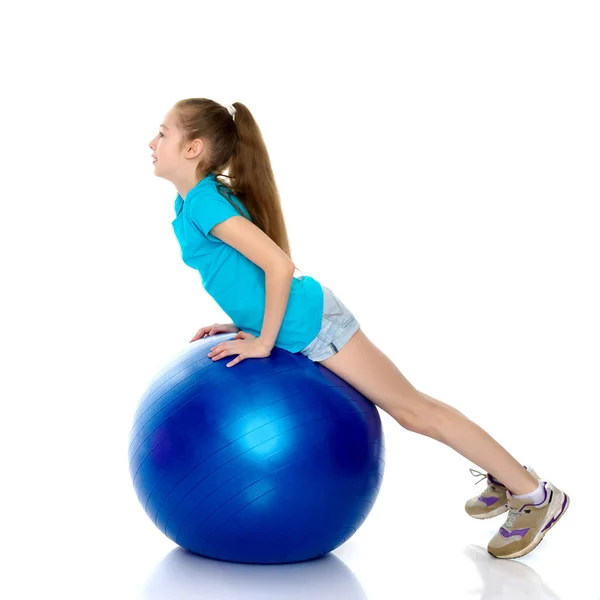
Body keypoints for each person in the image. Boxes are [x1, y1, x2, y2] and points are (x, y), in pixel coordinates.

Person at [148, 98, 569, 560]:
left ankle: (534, 495)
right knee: (415, 410)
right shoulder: (191, 200)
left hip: (313, 326)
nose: (152, 142)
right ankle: (507, 477)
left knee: (414, 411)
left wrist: (264, 340)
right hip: (298, 323)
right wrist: (241, 323)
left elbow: (278, 265)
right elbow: (245, 272)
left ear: (194, 149)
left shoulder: (205, 201)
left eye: (163, 133)